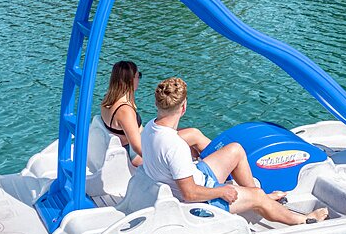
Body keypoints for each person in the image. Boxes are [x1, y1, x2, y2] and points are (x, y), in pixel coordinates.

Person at [140, 77, 328, 225]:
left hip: (198, 178)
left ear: (158, 105)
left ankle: (256, 193)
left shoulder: (150, 127)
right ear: (183, 107)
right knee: (258, 197)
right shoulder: (175, 145)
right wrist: (222, 192)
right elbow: (190, 194)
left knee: (235, 150)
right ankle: (302, 219)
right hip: (199, 201)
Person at [100, 62, 210, 167]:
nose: (139, 80)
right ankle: (216, 163)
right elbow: (138, 147)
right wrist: (159, 162)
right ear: (130, 80)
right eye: (139, 76)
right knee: (194, 135)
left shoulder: (109, 100)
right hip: (138, 155)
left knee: (185, 135)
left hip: (140, 144)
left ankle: (198, 163)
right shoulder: (125, 110)